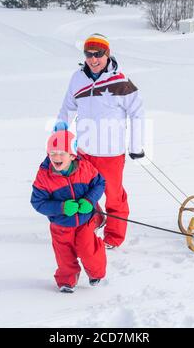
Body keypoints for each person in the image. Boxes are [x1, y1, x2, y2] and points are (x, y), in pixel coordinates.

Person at [54, 33, 145, 249]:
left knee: (114, 196)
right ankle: (93, 220)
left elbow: (138, 113)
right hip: (84, 151)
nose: (93, 60)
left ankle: (114, 236)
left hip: (111, 153)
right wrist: (60, 140)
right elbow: (67, 109)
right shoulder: (77, 78)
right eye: (89, 55)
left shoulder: (121, 80)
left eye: (98, 54)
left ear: (107, 54)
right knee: (85, 193)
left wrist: (136, 146)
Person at [30, 130, 106, 293]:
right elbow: (37, 202)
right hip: (60, 225)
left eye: (61, 153)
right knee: (64, 255)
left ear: (72, 155)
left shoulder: (85, 168)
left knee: (88, 250)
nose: (56, 157)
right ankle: (67, 280)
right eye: (52, 153)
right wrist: (61, 207)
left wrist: (89, 201)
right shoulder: (44, 176)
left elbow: (100, 183)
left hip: (85, 221)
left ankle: (96, 273)